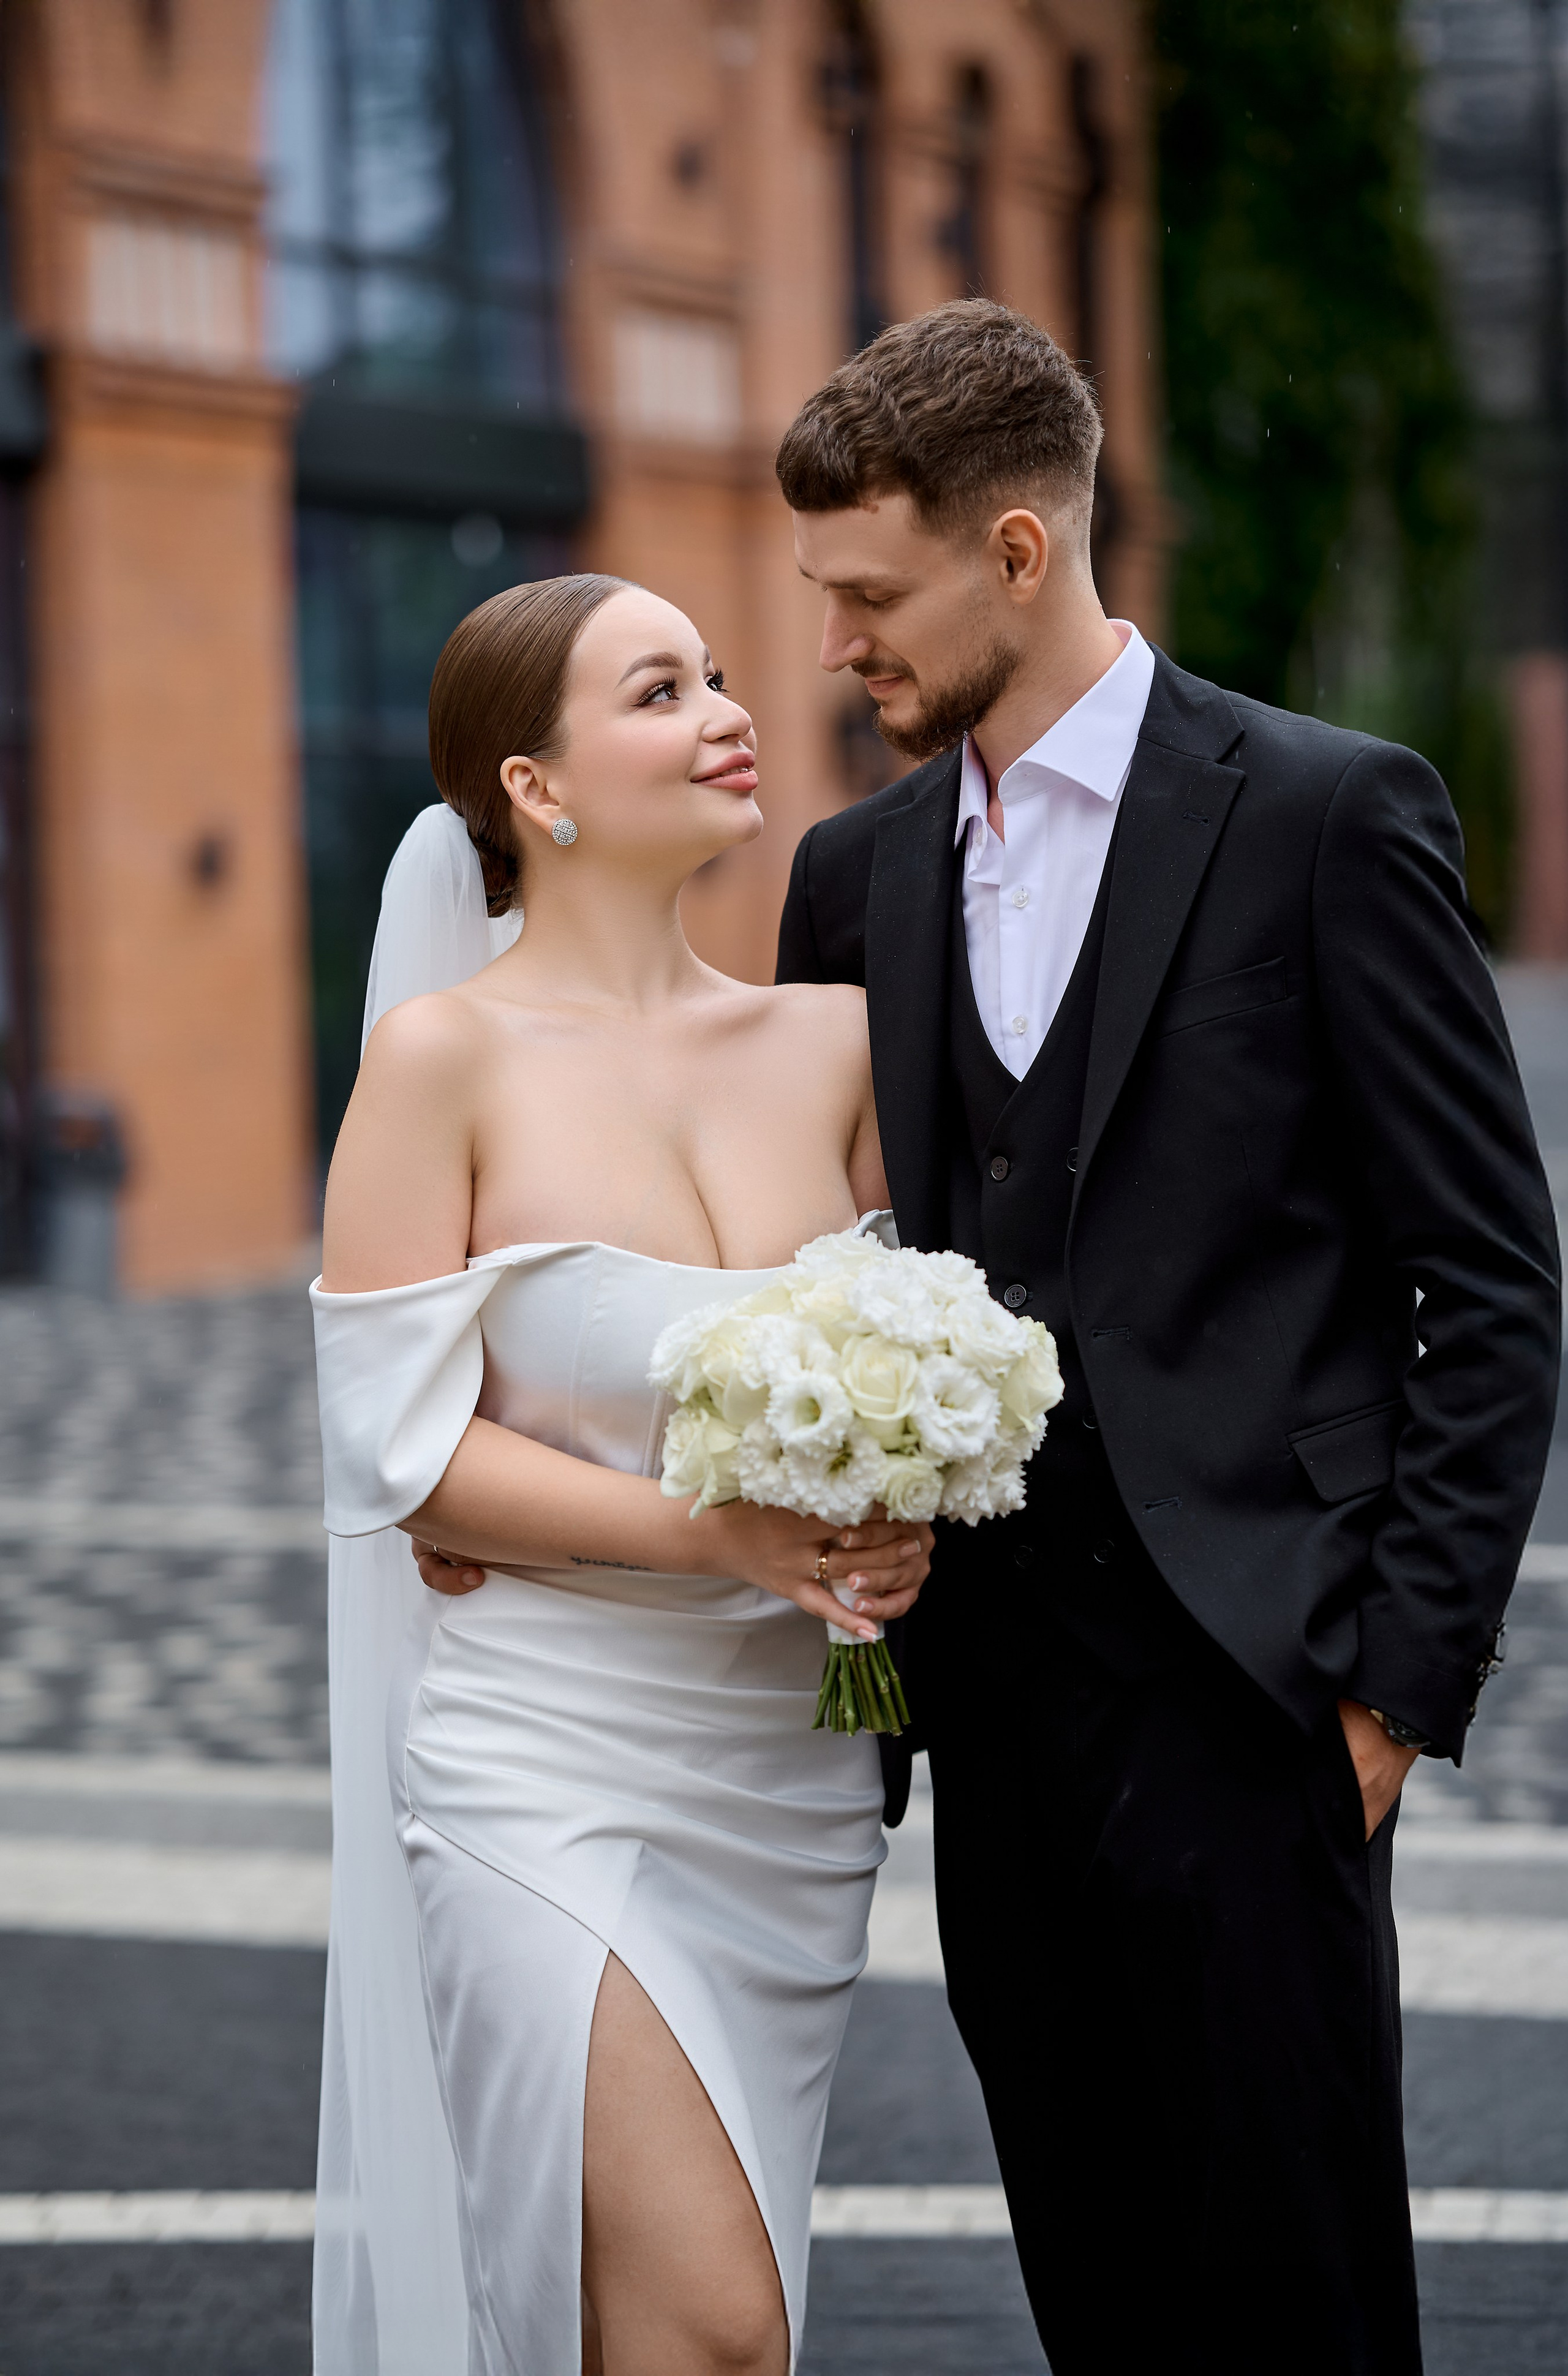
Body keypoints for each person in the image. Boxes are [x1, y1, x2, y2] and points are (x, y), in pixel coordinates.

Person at [766, 298, 1559, 2372]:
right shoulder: (850, 886)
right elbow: (824, 1261)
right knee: (1094, 2295)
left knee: (1300, 2311)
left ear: (1017, 552)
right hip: (998, 1722)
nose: (838, 643)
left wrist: (1393, 1690)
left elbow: (1487, 1277)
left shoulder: (1323, 814)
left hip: (1262, 1695)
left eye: (870, 593)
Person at [311, 572, 934, 2376]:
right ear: (540, 788)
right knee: (716, 2330)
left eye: (720, 676)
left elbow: (919, 1368)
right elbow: (407, 1453)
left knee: (689, 2338)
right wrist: (720, 1534)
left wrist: (898, 1536)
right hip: (548, 1760)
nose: (730, 712)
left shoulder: (838, 1042)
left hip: (787, 1782)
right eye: (663, 690)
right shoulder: (443, 1064)